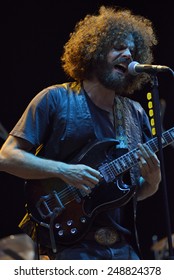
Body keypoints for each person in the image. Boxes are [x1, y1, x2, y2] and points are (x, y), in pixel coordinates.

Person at [0, 5, 161, 260]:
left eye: (132, 49)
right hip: (66, 248)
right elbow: (6, 158)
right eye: (118, 46)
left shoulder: (135, 113)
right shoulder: (54, 99)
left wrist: (152, 182)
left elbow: (133, 192)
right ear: (95, 50)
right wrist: (64, 171)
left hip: (123, 248)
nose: (128, 54)